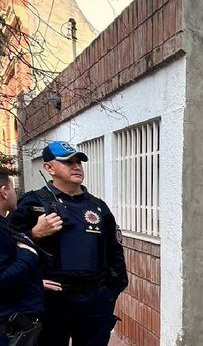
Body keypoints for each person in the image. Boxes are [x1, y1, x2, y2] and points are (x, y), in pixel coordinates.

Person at [11, 142, 127, 346]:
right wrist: (34, 234)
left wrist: (111, 292)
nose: (76, 166)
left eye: (78, 161)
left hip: (95, 301)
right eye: (67, 162)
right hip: (53, 301)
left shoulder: (98, 207)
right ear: (49, 168)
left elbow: (114, 251)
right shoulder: (33, 204)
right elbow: (9, 247)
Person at [1, 168, 44, 346]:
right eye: (12, 188)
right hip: (7, 330)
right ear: (4, 192)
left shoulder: (4, 225)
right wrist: (27, 256)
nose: (15, 193)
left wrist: (34, 281)